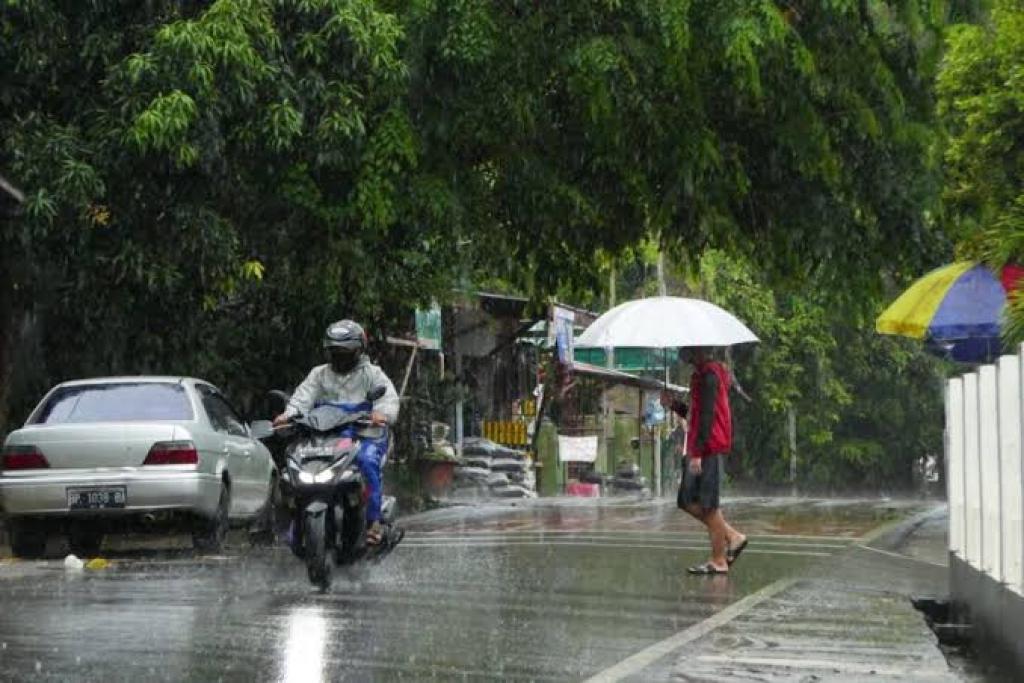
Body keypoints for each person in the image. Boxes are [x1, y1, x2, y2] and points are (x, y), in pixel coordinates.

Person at [273, 320, 400, 545]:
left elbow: (388, 399)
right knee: (293, 464)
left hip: (364, 434)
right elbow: (302, 398)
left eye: (345, 351)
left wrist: (382, 414)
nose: (340, 356)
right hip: (325, 435)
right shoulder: (319, 375)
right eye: (335, 351)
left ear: (359, 350)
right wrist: (288, 415)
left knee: (367, 461)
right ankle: (295, 521)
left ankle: (373, 522)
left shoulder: (372, 374)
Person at [660, 347, 747, 575]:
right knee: (686, 500)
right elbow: (695, 414)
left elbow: (707, 417)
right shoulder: (700, 376)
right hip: (699, 445)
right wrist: (674, 405)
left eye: (688, 352)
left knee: (708, 504)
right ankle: (732, 536)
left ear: (697, 351)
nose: (685, 356)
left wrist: (697, 453)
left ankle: (719, 560)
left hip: (708, 447)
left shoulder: (710, 376)